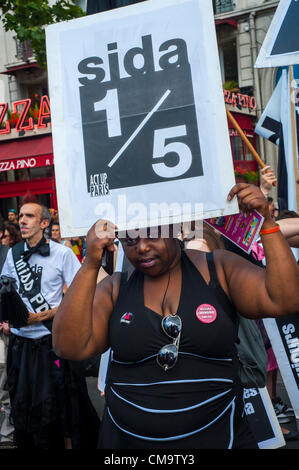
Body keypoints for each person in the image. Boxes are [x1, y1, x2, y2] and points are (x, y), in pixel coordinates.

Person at [52, 183, 299, 449]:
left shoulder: (219, 269)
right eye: (131, 239)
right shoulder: (115, 287)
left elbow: (284, 299)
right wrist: (90, 262)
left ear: (173, 229)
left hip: (222, 436)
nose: (142, 247)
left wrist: (267, 224)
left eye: (152, 235)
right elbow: (69, 346)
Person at [1, 201, 100, 449]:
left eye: (29, 216)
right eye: (21, 216)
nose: (22, 220)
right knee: (23, 403)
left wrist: (44, 315)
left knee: (60, 403)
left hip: (51, 344)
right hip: (20, 345)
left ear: (44, 223)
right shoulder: (13, 255)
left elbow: (82, 295)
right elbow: (6, 291)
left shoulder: (63, 254)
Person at [0, 219, 15, 448]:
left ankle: (7, 432)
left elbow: (12, 289)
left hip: (3, 327)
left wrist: (9, 321)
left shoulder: (8, 255)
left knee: (4, 383)